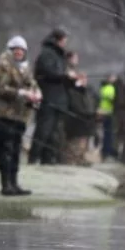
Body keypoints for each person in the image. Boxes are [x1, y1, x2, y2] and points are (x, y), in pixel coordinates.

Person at [0, 35, 41, 195]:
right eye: (16, 49)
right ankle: (6, 185)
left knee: (15, 151)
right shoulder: (2, 65)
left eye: (22, 50)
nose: (19, 52)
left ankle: (14, 183)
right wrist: (21, 93)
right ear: (10, 50)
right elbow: (1, 88)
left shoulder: (24, 67)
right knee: (6, 149)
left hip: (20, 116)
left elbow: (32, 84)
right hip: (4, 115)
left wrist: (36, 93)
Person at [28, 28, 77, 165]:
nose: (65, 43)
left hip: (59, 99)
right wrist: (65, 75)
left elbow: (60, 75)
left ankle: (47, 160)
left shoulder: (59, 55)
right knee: (43, 130)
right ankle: (33, 159)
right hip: (48, 98)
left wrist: (72, 79)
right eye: (64, 40)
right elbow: (49, 73)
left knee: (54, 134)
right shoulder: (47, 54)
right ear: (57, 40)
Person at [62, 51, 98, 166]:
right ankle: (71, 161)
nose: (84, 80)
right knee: (74, 144)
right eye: (82, 78)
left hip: (86, 121)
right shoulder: (74, 91)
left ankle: (81, 159)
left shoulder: (87, 91)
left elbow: (90, 104)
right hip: (76, 121)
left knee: (84, 143)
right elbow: (77, 106)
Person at [98, 74, 118, 161]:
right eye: (114, 78)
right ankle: (106, 151)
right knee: (109, 134)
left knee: (108, 133)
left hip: (104, 112)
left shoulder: (103, 87)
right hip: (108, 112)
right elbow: (112, 99)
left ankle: (107, 151)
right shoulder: (109, 88)